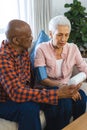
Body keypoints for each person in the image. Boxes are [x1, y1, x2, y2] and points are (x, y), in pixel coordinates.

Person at [0, 19, 81, 130]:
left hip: (24, 92)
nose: (32, 38)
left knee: (62, 101)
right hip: (5, 100)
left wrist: (55, 92)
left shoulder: (22, 51)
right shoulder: (3, 58)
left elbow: (29, 83)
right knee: (30, 109)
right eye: (28, 36)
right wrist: (56, 93)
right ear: (16, 40)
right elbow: (16, 92)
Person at [34, 15, 87, 130]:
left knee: (81, 98)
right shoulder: (41, 49)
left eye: (66, 35)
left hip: (68, 86)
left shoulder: (73, 48)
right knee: (64, 103)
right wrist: (63, 87)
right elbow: (42, 79)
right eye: (59, 35)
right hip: (47, 88)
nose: (63, 39)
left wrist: (74, 85)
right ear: (51, 34)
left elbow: (84, 68)